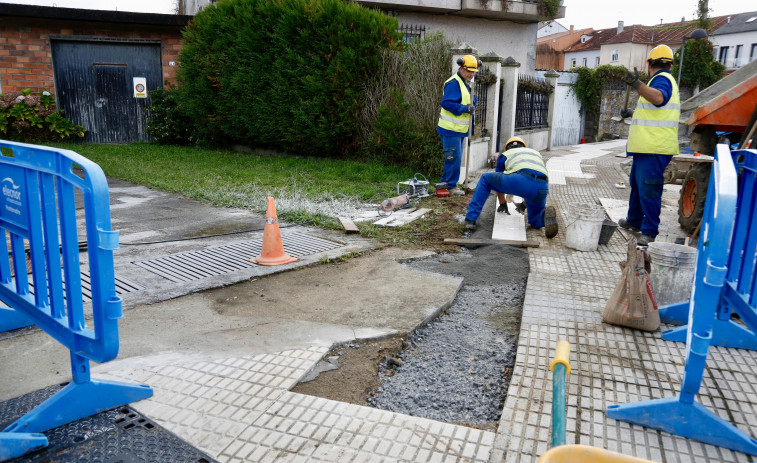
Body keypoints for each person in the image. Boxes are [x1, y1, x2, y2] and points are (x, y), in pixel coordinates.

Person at [618, 45, 680, 246]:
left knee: (649, 190)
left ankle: (650, 231)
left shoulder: (662, 79)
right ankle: (634, 221)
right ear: (670, 63)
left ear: (650, 63)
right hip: (647, 147)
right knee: (637, 185)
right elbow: (654, 113)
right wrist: (632, 114)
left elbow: (659, 99)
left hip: (655, 148)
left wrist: (636, 83)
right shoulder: (660, 79)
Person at [463, 137, 558, 239]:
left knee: (486, 179)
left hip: (521, 180)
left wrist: (503, 203)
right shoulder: (535, 153)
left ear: (507, 148)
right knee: (534, 221)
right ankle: (543, 216)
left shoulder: (504, 155)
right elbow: (532, 183)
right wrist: (523, 205)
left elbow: (498, 182)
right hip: (542, 187)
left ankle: (470, 219)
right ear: (523, 146)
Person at [436, 54, 479, 196]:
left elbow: (467, 100)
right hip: (450, 129)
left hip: (459, 130)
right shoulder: (454, 83)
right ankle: (451, 186)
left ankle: (446, 184)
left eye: (473, 72)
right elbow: (446, 103)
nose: (471, 74)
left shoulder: (465, 84)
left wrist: (472, 104)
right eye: (468, 71)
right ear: (461, 68)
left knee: (453, 158)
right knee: (453, 159)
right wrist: (464, 108)